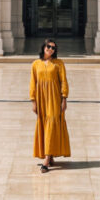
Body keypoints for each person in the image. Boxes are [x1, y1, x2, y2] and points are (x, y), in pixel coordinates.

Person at [29, 39, 70, 172]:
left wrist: (64, 99)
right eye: (49, 46)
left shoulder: (58, 64)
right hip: (41, 99)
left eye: (53, 48)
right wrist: (33, 101)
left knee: (52, 123)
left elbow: (63, 81)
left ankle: (46, 160)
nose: (51, 49)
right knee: (44, 125)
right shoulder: (35, 64)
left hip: (54, 99)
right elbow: (32, 83)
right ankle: (50, 154)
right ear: (43, 47)